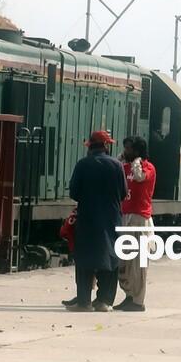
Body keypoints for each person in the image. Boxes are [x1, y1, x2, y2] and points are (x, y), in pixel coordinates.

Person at [68, 130, 127, 312]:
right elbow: (124, 193)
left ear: (90, 146)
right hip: (111, 217)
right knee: (110, 257)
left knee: (85, 258)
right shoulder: (116, 165)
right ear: (106, 146)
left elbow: (73, 193)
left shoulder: (82, 164)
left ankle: (84, 302)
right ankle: (104, 301)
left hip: (87, 217)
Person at [114, 136, 156, 312]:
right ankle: (129, 295)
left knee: (138, 263)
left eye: (129, 148)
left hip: (140, 218)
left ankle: (138, 301)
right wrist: (118, 159)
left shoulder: (148, 167)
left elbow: (139, 177)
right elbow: (113, 173)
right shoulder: (124, 167)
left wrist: (137, 162)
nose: (126, 151)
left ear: (138, 151)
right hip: (125, 216)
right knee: (124, 261)